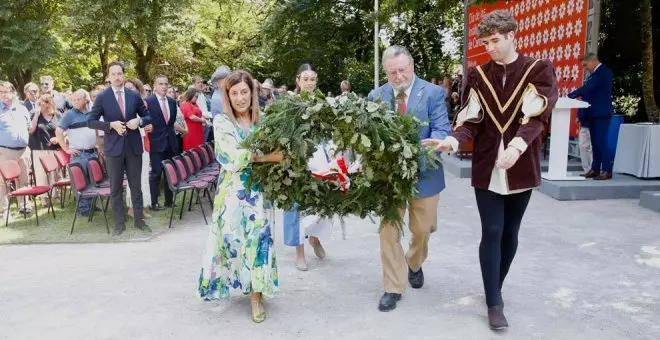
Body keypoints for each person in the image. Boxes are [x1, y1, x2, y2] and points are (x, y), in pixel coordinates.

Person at [422, 10, 558, 330]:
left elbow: (537, 117)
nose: (489, 48)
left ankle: (494, 285)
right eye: (485, 42)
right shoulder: (478, 75)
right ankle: (493, 301)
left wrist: (516, 147)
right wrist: (453, 143)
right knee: (492, 231)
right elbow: (470, 121)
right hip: (487, 165)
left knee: (511, 231)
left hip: (521, 163)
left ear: (513, 35)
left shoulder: (538, 69)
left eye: (495, 41)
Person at [367, 46, 450, 313]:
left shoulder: (434, 93)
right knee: (388, 232)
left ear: (412, 65)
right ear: (386, 72)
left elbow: (440, 128)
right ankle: (393, 286)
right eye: (392, 72)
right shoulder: (376, 96)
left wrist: (434, 145)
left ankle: (414, 262)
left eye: (402, 70)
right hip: (388, 178)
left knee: (423, 230)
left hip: (425, 173)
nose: (398, 76)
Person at [197, 70, 282, 323]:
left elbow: (277, 147)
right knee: (234, 242)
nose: (240, 98)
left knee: (257, 242)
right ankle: (235, 285)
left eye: (244, 92)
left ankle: (256, 296)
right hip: (231, 194)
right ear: (227, 96)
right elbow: (231, 158)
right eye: (234, 93)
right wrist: (268, 157)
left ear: (252, 93)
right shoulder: (222, 122)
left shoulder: (263, 120)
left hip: (256, 194)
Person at [88, 61, 153, 236]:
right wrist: (110, 125)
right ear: (108, 77)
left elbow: (148, 116)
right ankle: (119, 224)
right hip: (113, 149)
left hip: (133, 147)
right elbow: (91, 121)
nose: (117, 77)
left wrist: (138, 121)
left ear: (123, 75)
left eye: (119, 74)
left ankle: (139, 221)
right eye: (113, 74)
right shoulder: (103, 97)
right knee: (115, 188)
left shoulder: (133, 95)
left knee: (136, 186)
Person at [283, 63, 331, 271]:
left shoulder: (323, 103)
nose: (309, 83)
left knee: (319, 201)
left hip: (319, 158)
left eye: (313, 79)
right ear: (298, 81)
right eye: (306, 79)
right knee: (295, 205)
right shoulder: (290, 103)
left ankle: (315, 238)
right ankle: (299, 252)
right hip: (297, 158)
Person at [568, 53, 614, 180]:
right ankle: (595, 169)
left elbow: (588, 88)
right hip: (593, 114)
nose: (584, 68)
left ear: (592, 61)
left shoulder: (603, 72)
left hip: (602, 114)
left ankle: (607, 170)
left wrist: (570, 95)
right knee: (595, 143)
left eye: (585, 65)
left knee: (601, 141)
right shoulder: (593, 75)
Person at [56, 89, 99, 216]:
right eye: (73, 99)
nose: (75, 102)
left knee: (92, 181)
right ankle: (84, 209)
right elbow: (58, 132)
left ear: (86, 100)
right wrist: (65, 148)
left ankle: (92, 205)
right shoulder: (69, 115)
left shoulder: (91, 112)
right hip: (79, 154)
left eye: (78, 99)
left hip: (92, 152)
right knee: (81, 182)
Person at [146, 75, 179, 211]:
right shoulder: (148, 101)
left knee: (169, 173)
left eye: (166, 84)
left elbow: (170, 123)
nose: (164, 86)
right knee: (156, 173)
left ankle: (169, 201)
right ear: (154, 86)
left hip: (170, 142)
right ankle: (154, 202)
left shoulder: (172, 102)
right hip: (156, 142)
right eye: (161, 84)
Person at [0, 81, 32, 216]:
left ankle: (24, 206)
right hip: (4, 151)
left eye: (5, 91)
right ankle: (4, 210)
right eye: (0, 92)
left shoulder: (22, 109)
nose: (2, 95)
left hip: (23, 151)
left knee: (24, 179)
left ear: (13, 93)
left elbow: (28, 128)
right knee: (2, 181)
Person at [123, 78, 152, 219]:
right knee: (133, 177)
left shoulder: (142, 103)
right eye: (126, 88)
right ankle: (132, 208)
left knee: (144, 177)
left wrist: (148, 126)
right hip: (130, 144)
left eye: (132, 88)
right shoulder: (123, 105)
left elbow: (147, 121)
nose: (129, 91)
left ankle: (142, 207)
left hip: (143, 143)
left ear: (138, 89)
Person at [29, 93, 61, 207]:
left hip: (54, 149)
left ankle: (55, 196)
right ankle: (44, 199)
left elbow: (65, 130)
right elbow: (31, 130)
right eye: (39, 103)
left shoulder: (57, 115)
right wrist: (36, 115)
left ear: (49, 103)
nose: (41, 105)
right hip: (39, 148)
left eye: (43, 103)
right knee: (41, 174)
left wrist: (59, 138)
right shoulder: (35, 115)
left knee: (55, 174)